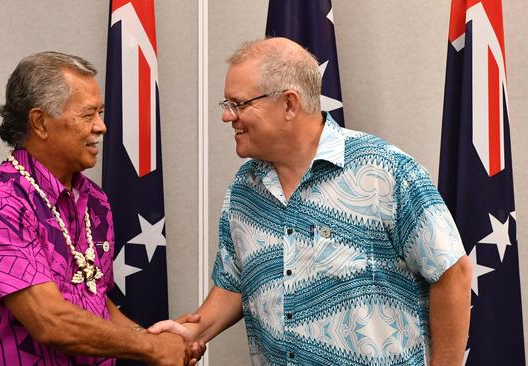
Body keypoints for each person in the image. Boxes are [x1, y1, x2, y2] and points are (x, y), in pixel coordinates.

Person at [148, 38, 472, 366]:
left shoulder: (384, 171)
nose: (228, 116)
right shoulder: (244, 189)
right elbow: (235, 283)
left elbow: (452, 272)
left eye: (240, 104)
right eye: (227, 104)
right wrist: (193, 333)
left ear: (289, 104)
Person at [0, 51, 202, 366]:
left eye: (100, 112)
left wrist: (156, 339)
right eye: (88, 115)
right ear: (40, 122)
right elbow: (50, 320)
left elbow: (93, 297)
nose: (102, 127)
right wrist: (152, 349)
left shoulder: (95, 201)